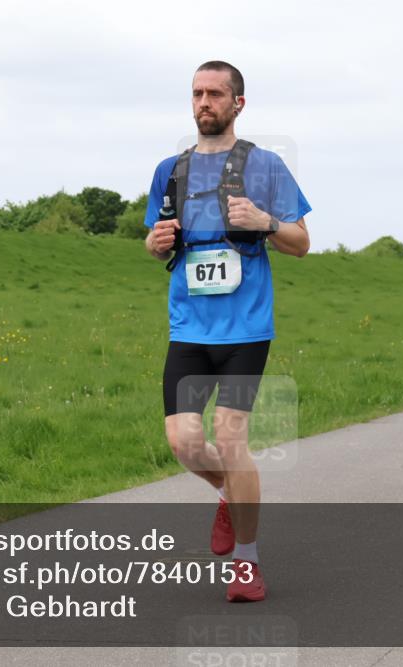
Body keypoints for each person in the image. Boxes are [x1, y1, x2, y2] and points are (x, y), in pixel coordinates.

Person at [142, 61, 311, 602]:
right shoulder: (170, 170)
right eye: (197, 93)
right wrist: (156, 243)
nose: (204, 102)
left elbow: (300, 242)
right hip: (189, 326)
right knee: (184, 442)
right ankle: (229, 496)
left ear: (239, 103)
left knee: (230, 438)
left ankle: (246, 563)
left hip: (246, 329)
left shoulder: (266, 166)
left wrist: (264, 222)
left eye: (215, 93)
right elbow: (154, 240)